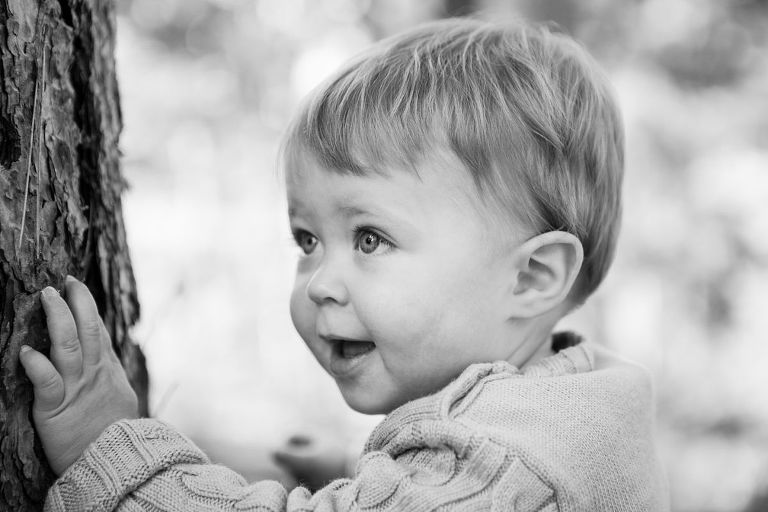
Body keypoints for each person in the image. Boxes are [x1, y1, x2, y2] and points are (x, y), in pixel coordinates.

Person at [19, 17, 669, 511]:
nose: (321, 284)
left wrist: (108, 456)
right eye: (308, 241)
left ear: (533, 277)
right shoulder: (572, 409)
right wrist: (382, 481)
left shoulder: (511, 466)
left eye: (370, 239)